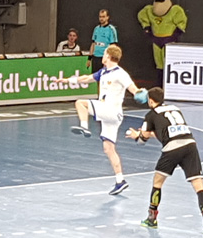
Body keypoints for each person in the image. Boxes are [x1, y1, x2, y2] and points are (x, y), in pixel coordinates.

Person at [56, 45, 147, 195]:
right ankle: (120, 181)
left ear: (109, 56)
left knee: (80, 103)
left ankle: (84, 127)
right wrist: (67, 80)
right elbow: (86, 78)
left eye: (104, 54)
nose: (102, 56)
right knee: (108, 148)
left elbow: (133, 88)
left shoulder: (120, 74)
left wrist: (140, 93)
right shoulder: (103, 72)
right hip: (109, 115)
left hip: (111, 110)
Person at [125, 87, 203, 237]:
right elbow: (167, 131)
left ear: (150, 101)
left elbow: (142, 140)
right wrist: (149, 133)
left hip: (172, 149)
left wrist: (137, 135)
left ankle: (152, 219)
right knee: (199, 186)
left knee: (157, 182)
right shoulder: (175, 109)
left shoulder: (151, 115)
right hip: (190, 145)